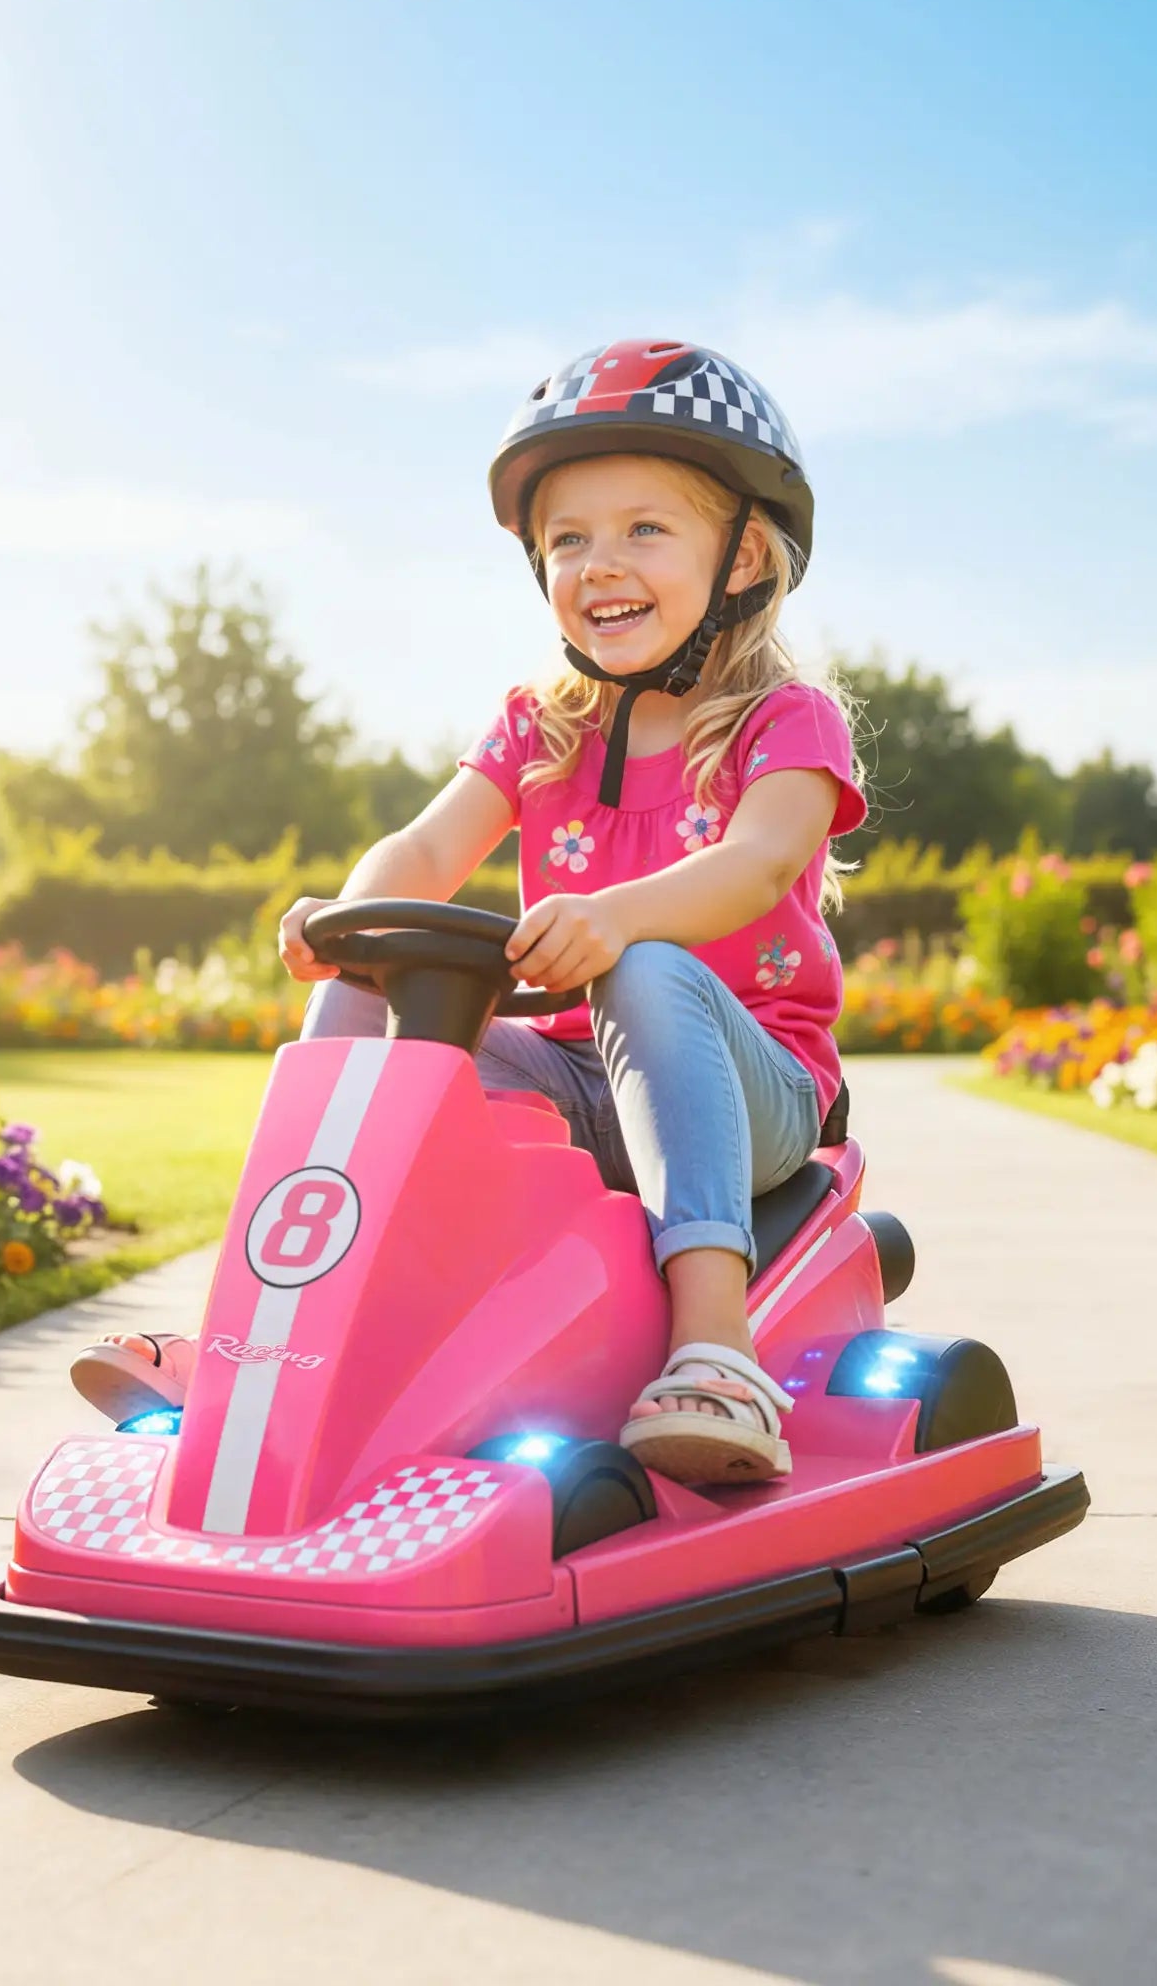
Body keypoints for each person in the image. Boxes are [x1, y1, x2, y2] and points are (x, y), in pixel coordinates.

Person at [72, 339, 867, 1485]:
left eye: (644, 529)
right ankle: (252, 1343)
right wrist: (350, 913)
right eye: (567, 540)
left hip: (761, 1092)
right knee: (368, 988)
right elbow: (427, 845)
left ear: (742, 556)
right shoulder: (537, 727)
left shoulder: (784, 723)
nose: (601, 564)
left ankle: (715, 1345)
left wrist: (611, 915)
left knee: (639, 964)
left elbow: (754, 864)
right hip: (573, 1070)